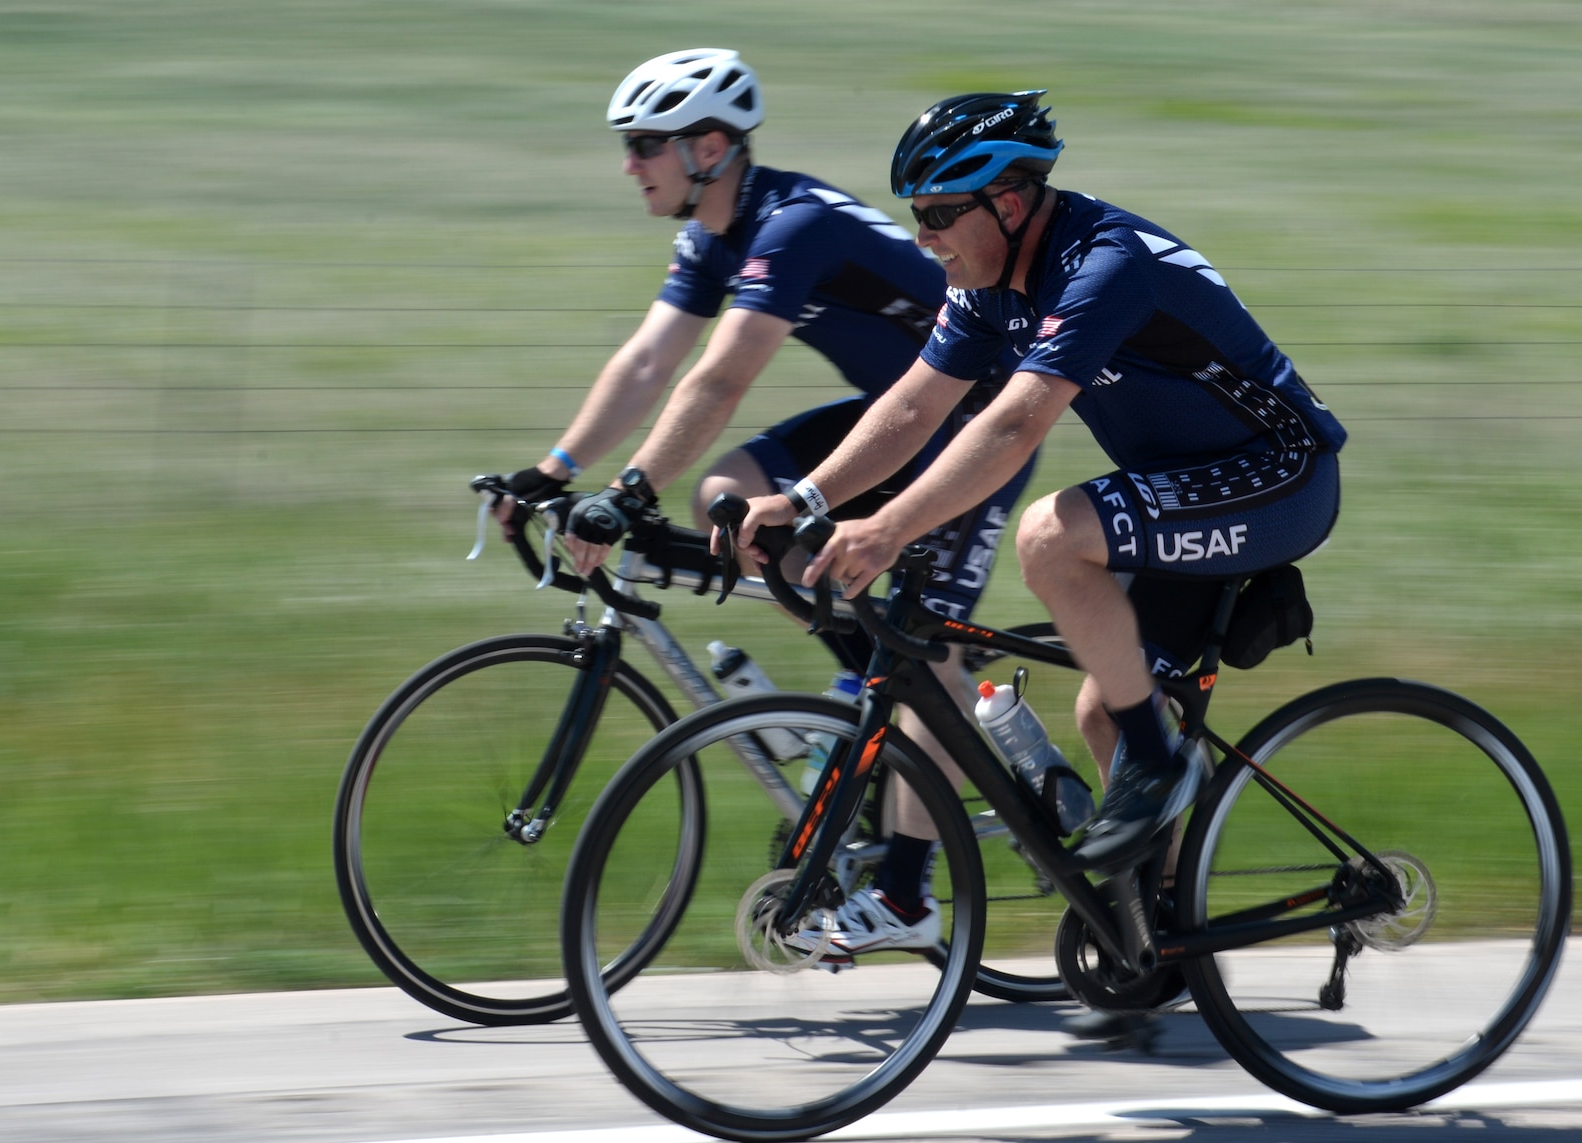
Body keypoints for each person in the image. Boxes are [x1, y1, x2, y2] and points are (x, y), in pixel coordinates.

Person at [735, 91, 1347, 1001]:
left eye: (940, 215)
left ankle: (1159, 761)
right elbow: (911, 404)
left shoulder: (1102, 264)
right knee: (1103, 706)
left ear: (1008, 204)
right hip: (1182, 490)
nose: (925, 237)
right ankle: (1161, 933)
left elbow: (1018, 423)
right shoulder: (986, 285)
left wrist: (888, 524)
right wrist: (810, 495)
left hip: (1280, 474)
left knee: (1051, 537)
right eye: (917, 216)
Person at [494, 49, 1036, 959]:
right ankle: (851, 698)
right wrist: (551, 472)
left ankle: (907, 889)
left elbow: (720, 379)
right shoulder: (713, 232)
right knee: (727, 499)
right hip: (891, 416)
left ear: (709, 145)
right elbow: (647, 363)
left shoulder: (790, 226)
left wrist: (625, 494)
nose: (631, 165)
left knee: (926, 648)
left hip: (976, 424)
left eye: (644, 145)